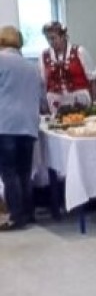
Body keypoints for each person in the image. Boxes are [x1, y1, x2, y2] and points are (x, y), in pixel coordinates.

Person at [0, 26, 43, 230]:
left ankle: (16, 216)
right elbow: (40, 97)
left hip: (5, 123)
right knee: (24, 172)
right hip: (28, 124)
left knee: (9, 172)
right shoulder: (31, 66)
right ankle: (28, 213)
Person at [39, 21, 96, 115]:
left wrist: (95, 103)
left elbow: (93, 79)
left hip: (79, 99)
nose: (50, 42)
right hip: (55, 102)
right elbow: (43, 83)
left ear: (63, 36)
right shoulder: (44, 55)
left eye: (53, 38)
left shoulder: (79, 52)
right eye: (48, 39)